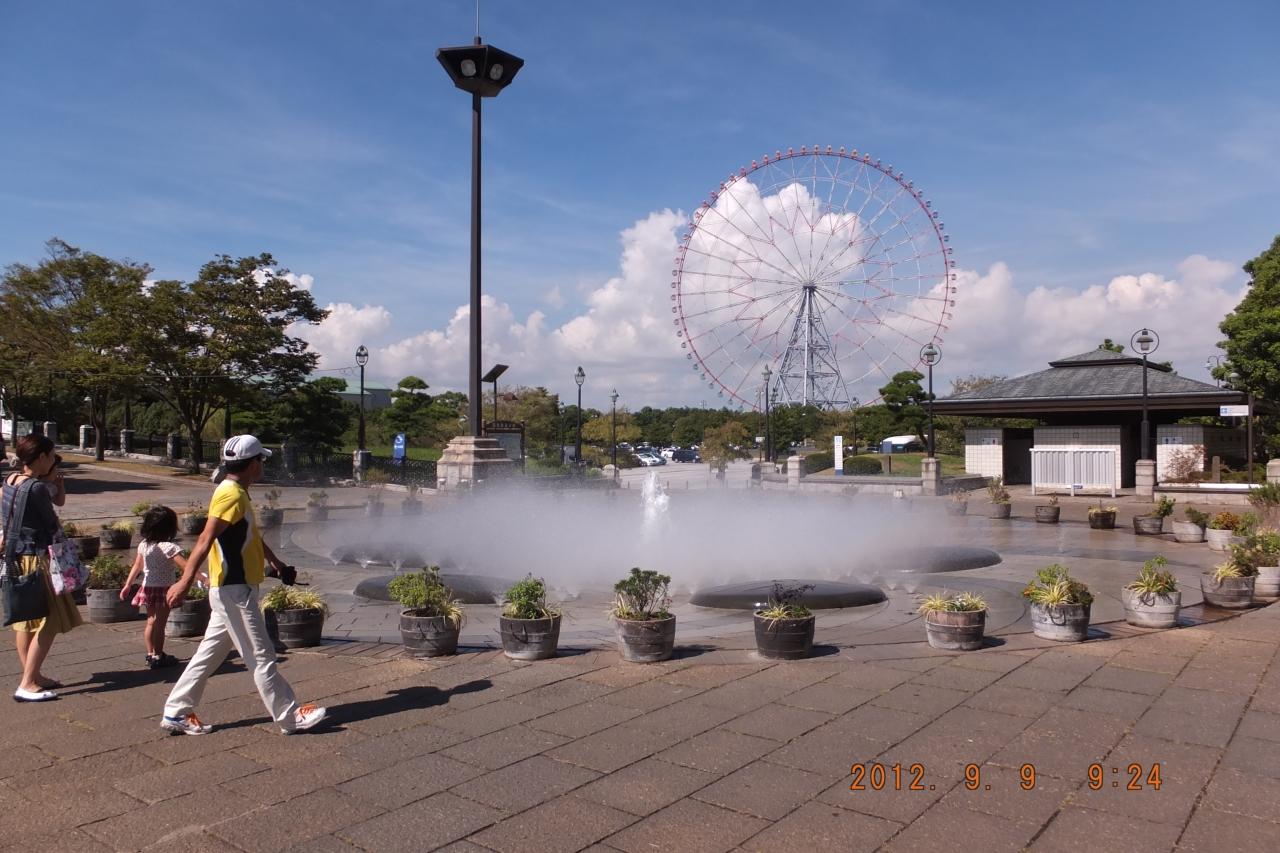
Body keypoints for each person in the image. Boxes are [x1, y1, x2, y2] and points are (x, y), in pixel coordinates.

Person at [160, 435, 325, 735]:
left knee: (208, 654)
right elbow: (204, 538)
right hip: (234, 590)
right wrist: (184, 581)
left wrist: (275, 562)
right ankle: (289, 717)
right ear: (252, 464)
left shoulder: (235, 491)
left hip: (232, 589)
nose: (263, 464)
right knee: (261, 656)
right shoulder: (231, 495)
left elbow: (248, 535)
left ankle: (176, 711)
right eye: (261, 459)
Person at [2, 434, 82, 701]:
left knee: (25, 621)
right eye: (51, 455)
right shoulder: (36, 488)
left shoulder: (10, 480)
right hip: (39, 558)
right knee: (51, 619)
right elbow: (51, 524)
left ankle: (32, 675)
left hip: (17, 557)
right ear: (41, 458)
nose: (53, 459)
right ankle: (27, 683)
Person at [120, 505, 188, 669]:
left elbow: (137, 565)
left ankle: (150, 654)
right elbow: (186, 566)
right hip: (164, 589)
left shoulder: (144, 545)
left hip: (148, 587)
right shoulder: (169, 547)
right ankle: (159, 655)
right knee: (160, 624)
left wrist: (128, 584)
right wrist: (202, 578)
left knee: (151, 622)